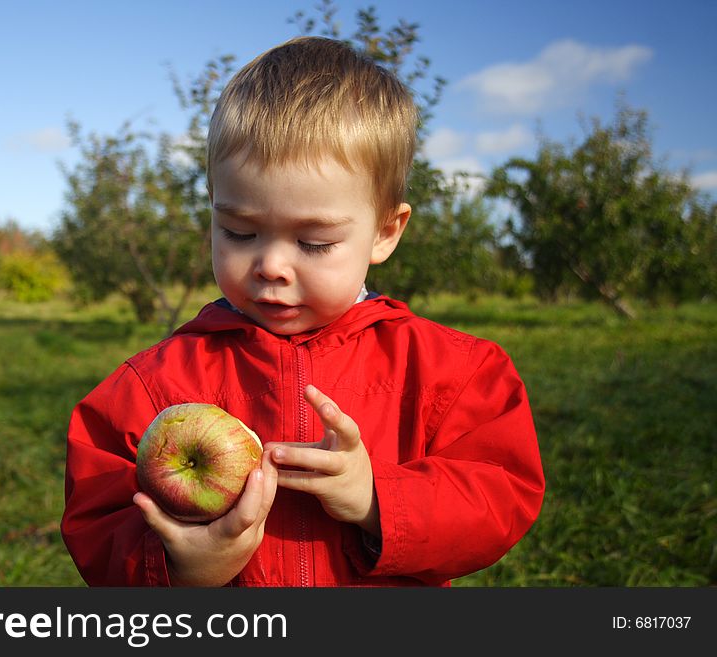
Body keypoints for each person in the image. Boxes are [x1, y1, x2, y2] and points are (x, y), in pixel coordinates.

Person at [61, 36, 545, 587]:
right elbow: (97, 520)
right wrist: (184, 566)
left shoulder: (450, 371)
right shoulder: (154, 384)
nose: (271, 265)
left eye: (314, 244)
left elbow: (501, 496)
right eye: (239, 232)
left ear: (386, 231)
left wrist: (377, 497)